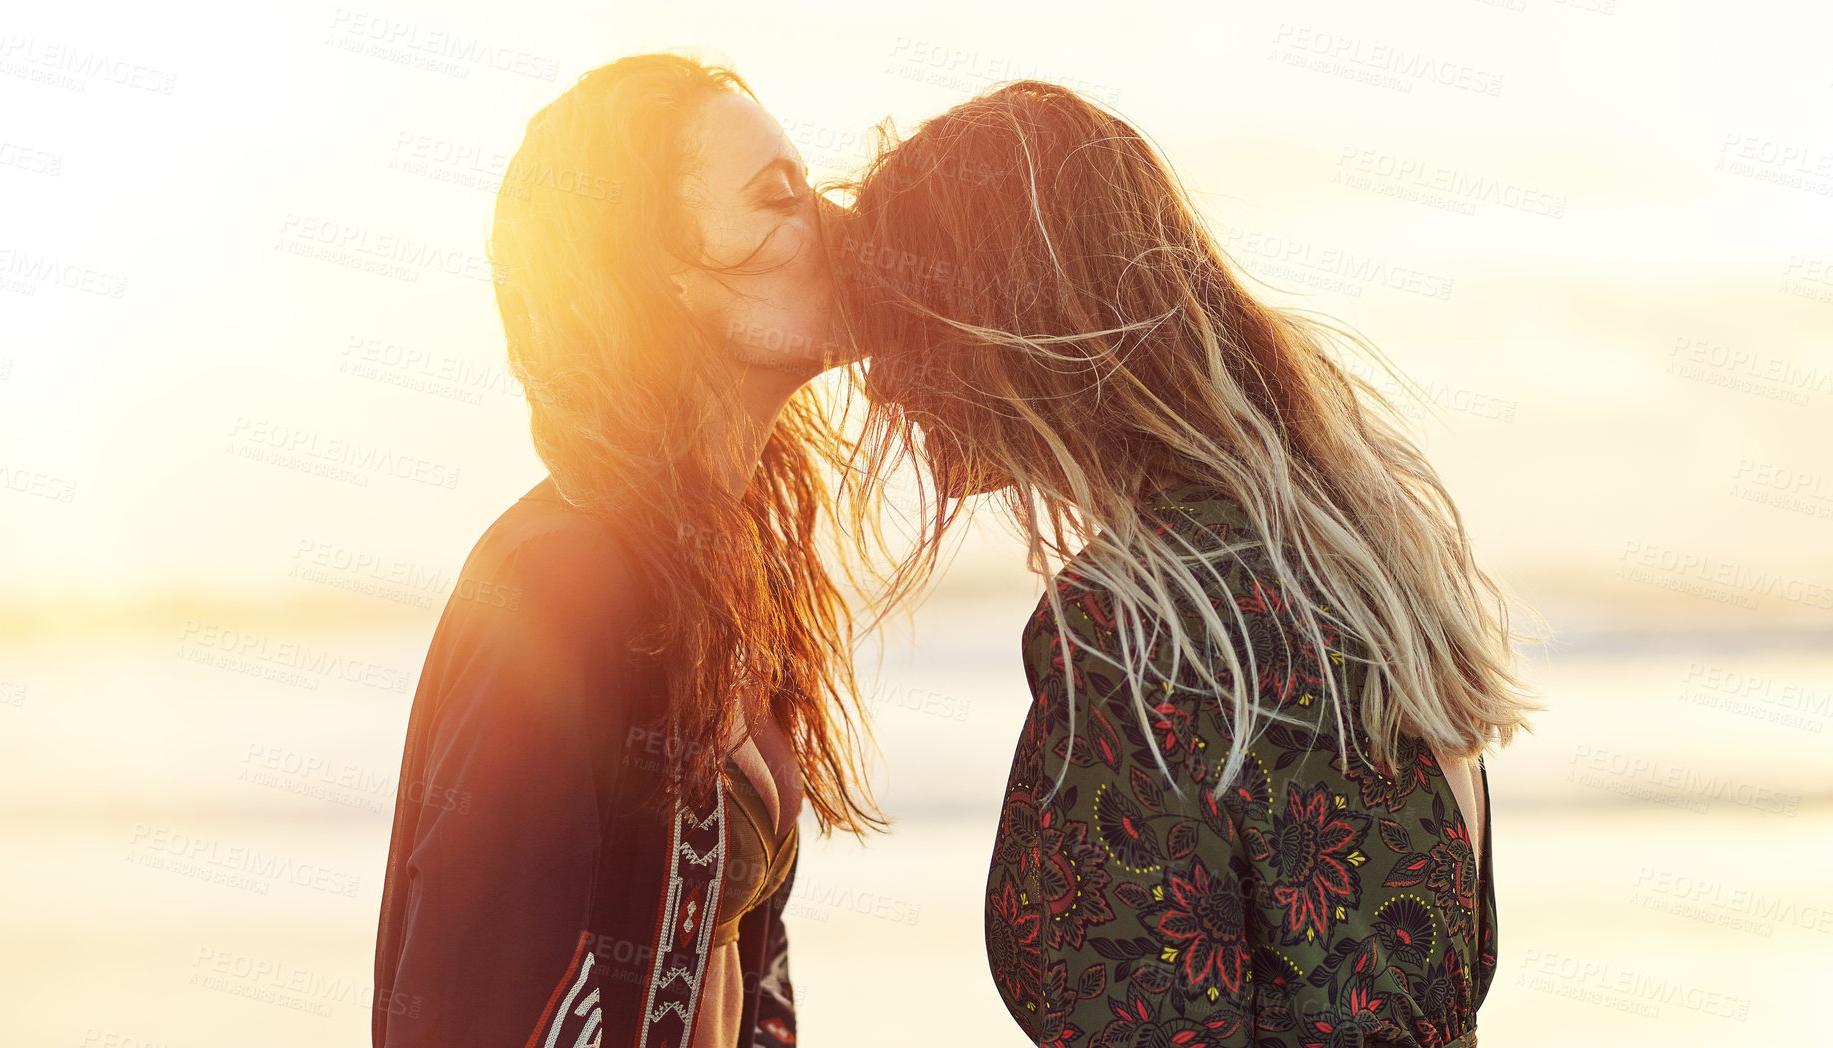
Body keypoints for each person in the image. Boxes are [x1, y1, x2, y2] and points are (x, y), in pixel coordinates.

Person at [836, 80, 1546, 1047]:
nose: (878, 376)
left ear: (1007, 320)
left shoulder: (1133, 635)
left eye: (904, 317)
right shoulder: (1365, 553)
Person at [371, 52, 884, 1048]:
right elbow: (473, 1006)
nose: (836, 225)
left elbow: (745, 970)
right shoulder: (560, 581)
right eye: (778, 199)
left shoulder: (732, 566)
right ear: (662, 274)